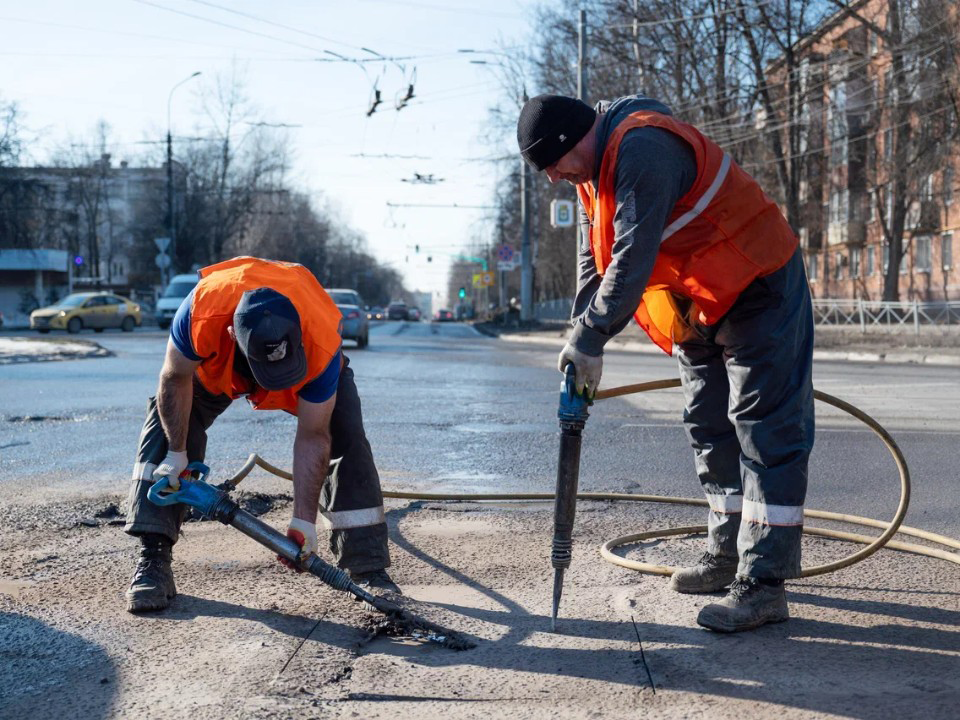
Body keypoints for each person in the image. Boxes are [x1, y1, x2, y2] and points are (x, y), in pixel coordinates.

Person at [517, 94, 814, 632]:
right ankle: (726, 556)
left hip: (756, 284)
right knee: (708, 425)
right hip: (697, 301)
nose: (553, 180)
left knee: (763, 432)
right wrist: (581, 335)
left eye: (550, 165)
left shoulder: (644, 148)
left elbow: (633, 252)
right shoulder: (592, 173)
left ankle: (764, 584)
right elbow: (597, 257)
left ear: (570, 141)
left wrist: (593, 336)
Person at [124, 256, 397, 613]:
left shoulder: (319, 340)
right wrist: (177, 453)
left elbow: (313, 434)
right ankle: (153, 559)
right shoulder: (202, 313)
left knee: (344, 433)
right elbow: (174, 378)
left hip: (305, 361)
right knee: (166, 421)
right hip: (219, 366)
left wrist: (303, 520)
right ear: (233, 337)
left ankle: (367, 568)